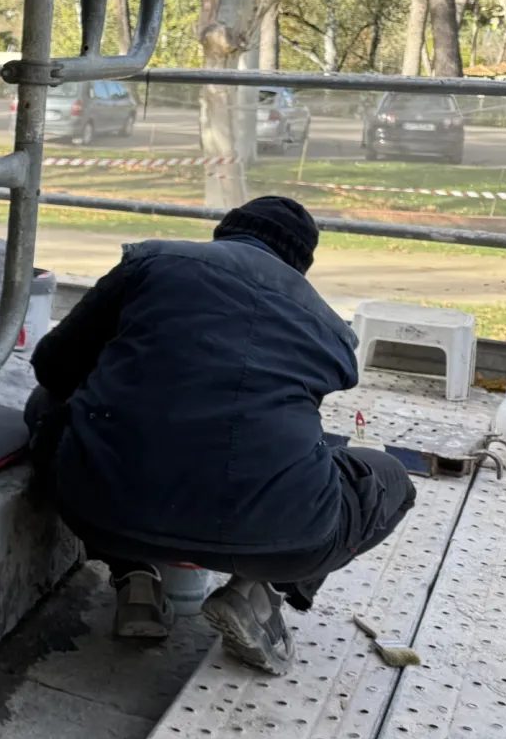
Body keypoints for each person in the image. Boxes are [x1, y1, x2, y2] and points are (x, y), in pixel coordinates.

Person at [23, 196, 416, 675]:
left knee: (47, 409)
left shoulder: (155, 261)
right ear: (301, 265)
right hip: (283, 537)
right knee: (389, 480)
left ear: (224, 233)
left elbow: (53, 367)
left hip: (101, 512)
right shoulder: (331, 330)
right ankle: (258, 592)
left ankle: (134, 576)